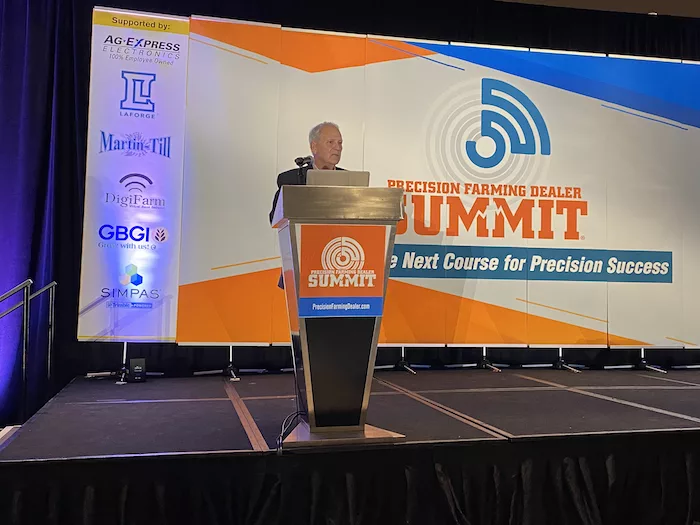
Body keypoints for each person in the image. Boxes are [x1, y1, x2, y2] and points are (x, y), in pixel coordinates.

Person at [269, 122, 344, 289]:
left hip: (340, 268)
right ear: (314, 147)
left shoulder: (349, 180)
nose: (337, 147)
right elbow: (274, 218)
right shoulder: (292, 179)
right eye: (330, 142)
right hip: (302, 265)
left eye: (340, 143)